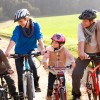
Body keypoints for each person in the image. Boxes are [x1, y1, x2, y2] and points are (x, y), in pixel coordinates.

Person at [5, 9, 45, 99]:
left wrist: (42, 48)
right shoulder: (18, 28)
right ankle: (21, 93)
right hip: (19, 51)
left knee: (31, 62)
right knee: (20, 74)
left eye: (21, 21)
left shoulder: (36, 26)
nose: (20, 23)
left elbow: (39, 37)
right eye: (18, 22)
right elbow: (13, 39)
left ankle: (36, 83)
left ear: (26, 18)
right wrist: (7, 51)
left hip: (31, 49)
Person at [72, 9, 100, 100]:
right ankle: (76, 94)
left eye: (85, 20)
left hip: (98, 52)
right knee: (76, 73)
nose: (83, 22)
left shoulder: (98, 25)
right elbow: (81, 39)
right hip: (85, 53)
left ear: (92, 21)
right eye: (82, 20)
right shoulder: (80, 26)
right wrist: (81, 52)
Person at [42, 33, 75, 100]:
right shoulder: (49, 49)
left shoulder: (64, 50)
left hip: (61, 70)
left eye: (56, 43)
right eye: (53, 42)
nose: (54, 44)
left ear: (61, 44)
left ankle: (63, 95)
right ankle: (49, 95)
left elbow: (70, 56)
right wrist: (45, 64)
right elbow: (45, 58)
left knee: (63, 84)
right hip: (52, 70)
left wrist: (73, 62)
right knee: (50, 84)